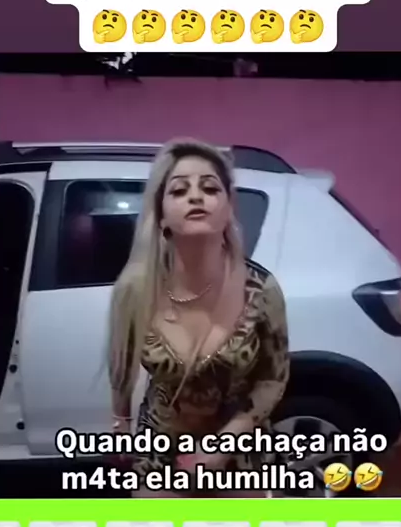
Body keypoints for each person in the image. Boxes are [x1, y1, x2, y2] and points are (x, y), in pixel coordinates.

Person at [108, 138, 290, 497]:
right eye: (179, 190)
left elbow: (273, 379)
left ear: (228, 208)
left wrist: (223, 446)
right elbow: (121, 366)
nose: (196, 197)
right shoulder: (134, 289)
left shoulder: (262, 288)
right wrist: (120, 423)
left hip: (242, 460)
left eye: (210, 188)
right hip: (159, 462)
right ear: (161, 214)